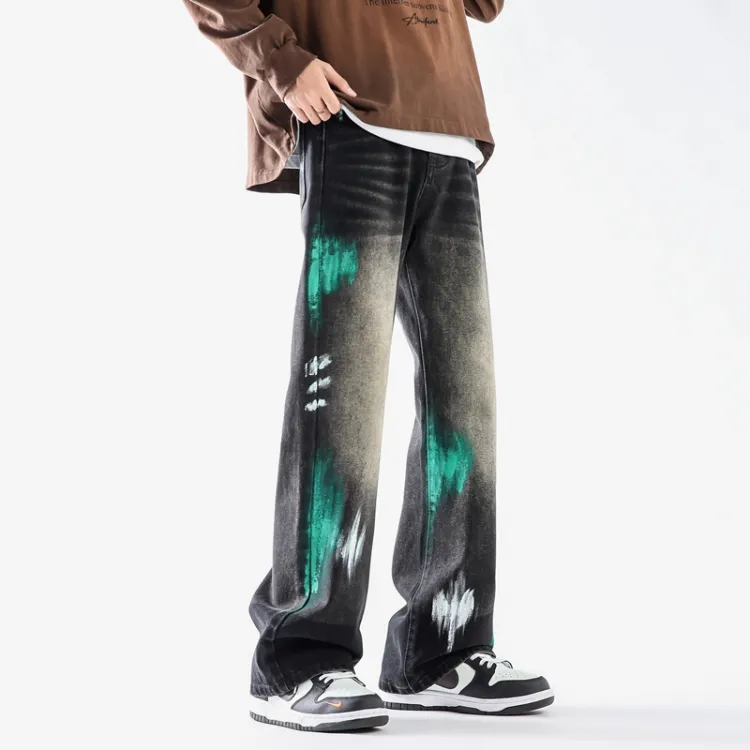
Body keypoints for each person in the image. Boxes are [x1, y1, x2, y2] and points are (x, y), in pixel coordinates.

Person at [182, 0, 553, 732]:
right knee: (341, 393)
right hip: (349, 113)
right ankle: (298, 657)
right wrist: (281, 61)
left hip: (448, 126)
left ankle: (440, 647)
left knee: (465, 406)